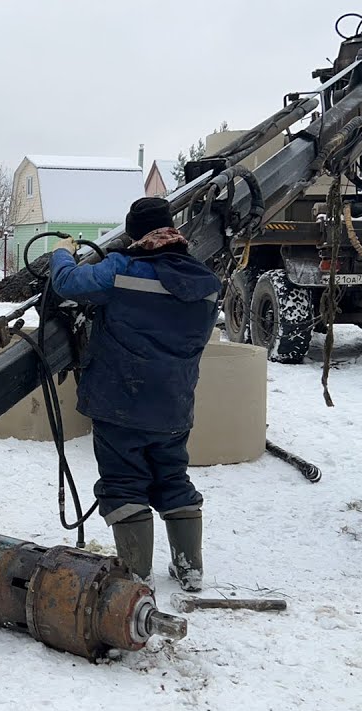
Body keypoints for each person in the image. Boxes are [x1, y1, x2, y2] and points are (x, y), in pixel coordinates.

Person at [49, 197, 221, 591]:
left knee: (123, 482)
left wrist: (62, 254)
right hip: (174, 404)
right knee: (173, 478)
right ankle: (189, 568)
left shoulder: (121, 270)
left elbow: (67, 284)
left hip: (120, 402)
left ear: (133, 233)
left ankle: (135, 575)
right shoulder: (206, 283)